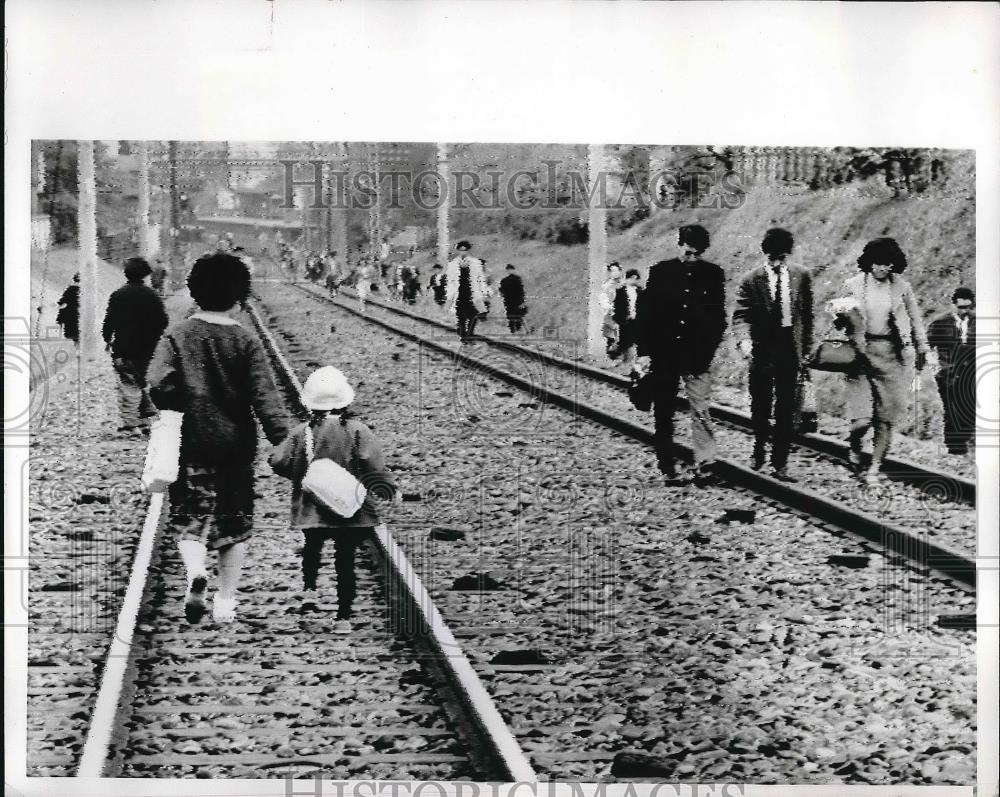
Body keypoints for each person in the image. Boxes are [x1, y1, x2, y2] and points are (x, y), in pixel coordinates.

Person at [146, 253, 291, 624]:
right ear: (239, 296)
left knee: (190, 517)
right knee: (234, 523)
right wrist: (283, 438)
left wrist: (178, 399)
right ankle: (226, 602)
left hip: (192, 442)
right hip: (237, 447)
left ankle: (196, 571)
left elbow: (158, 382)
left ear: (194, 290)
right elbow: (265, 397)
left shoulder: (177, 335)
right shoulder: (245, 340)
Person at [269, 366, 396, 631]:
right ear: (345, 401)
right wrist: (387, 489)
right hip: (349, 508)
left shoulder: (302, 431)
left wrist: (300, 476)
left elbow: (278, 460)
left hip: (312, 507)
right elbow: (372, 463)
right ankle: (343, 617)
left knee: (312, 547)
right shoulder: (358, 430)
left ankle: (310, 588)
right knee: (345, 560)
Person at [635, 225, 726, 486]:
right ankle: (668, 467)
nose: (692, 258)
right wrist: (644, 353)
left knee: (701, 409)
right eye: (688, 252)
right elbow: (646, 316)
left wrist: (708, 349)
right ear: (679, 246)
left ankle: (705, 465)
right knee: (663, 412)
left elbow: (718, 317)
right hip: (664, 355)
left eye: (697, 254)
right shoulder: (660, 272)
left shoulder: (713, 274)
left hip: (698, 357)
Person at [839, 238, 929, 484]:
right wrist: (841, 321)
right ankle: (855, 445)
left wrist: (922, 348)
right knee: (862, 419)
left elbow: (916, 320)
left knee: (886, 417)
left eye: (888, 264)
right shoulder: (853, 285)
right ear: (869, 262)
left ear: (894, 265)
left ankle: (874, 467)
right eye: (878, 264)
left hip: (892, 356)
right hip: (860, 355)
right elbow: (837, 320)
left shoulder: (902, 287)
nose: (882, 269)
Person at [731, 228, 815, 482]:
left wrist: (807, 351)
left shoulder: (801, 276)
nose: (777, 263)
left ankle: (780, 463)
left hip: (790, 348)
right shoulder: (751, 279)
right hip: (761, 349)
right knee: (760, 405)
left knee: (787, 409)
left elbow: (807, 315)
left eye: (782, 257)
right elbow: (741, 315)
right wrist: (744, 341)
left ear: (787, 254)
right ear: (765, 254)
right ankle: (759, 447)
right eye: (773, 258)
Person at [102, 258, 170, 434]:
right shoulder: (152, 295)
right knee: (141, 380)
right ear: (146, 275)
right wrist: (155, 337)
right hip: (148, 348)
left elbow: (109, 322)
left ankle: (131, 424)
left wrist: (107, 338)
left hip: (124, 348)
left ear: (126, 273)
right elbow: (163, 321)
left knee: (128, 384)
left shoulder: (118, 295)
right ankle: (145, 420)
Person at [927, 286, 976, 455]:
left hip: (971, 373)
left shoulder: (978, 322)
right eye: (961, 307)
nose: (965, 310)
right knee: (952, 408)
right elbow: (926, 347)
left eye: (969, 307)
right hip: (947, 373)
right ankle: (955, 447)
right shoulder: (941, 322)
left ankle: (962, 442)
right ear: (954, 304)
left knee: (968, 407)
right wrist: (935, 367)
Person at [445, 240, 488, 342]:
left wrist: (484, 291)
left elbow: (480, 278)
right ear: (458, 251)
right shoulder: (452, 264)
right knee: (461, 315)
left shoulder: (476, 263)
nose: (463, 252)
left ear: (468, 251)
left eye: (465, 250)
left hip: (472, 292)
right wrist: (448, 297)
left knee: (473, 314)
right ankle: (463, 334)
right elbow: (450, 281)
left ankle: (469, 333)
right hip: (459, 293)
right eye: (461, 250)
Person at [612, 269, 643, 365]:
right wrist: (619, 319)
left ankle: (633, 361)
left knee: (636, 340)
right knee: (626, 341)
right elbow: (617, 306)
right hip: (625, 320)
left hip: (637, 320)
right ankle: (626, 360)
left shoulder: (640, 290)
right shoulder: (620, 291)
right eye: (636, 279)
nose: (637, 281)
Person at [599, 262, 625, 358]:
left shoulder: (624, 284)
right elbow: (603, 299)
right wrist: (610, 307)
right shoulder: (607, 286)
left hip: (625, 314)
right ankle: (610, 353)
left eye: (616, 270)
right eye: (612, 271)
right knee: (611, 335)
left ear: (620, 271)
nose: (614, 273)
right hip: (611, 314)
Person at [499, 263, 528, 333]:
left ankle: (514, 332)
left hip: (508, 302)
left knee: (511, 317)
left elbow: (501, 292)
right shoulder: (517, 279)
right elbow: (521, 291)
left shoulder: (504, 281)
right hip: (516, 301)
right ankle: (522, 331)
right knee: (519, 317)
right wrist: (523, 301)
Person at [55, 273, 81, 344]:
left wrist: (59, 319)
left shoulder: (70, 290)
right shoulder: (85, 291)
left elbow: (63, 304)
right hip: (79, 318)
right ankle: (78, 351)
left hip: (70, 317)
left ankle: (77, 350)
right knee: (78, 337)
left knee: (73, 336)